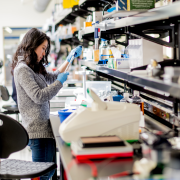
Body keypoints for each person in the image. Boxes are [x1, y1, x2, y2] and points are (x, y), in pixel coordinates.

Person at [11, 28, 82, 180]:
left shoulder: (32, 67)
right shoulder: (22, 70)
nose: (44, 53)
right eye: (43, 48)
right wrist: (60, 83)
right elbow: (39, 96)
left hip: (45, 128)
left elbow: (52, 77)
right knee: (42, 176)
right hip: (37, 131)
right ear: (32, 45)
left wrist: (69, 59)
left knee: (49, 172)